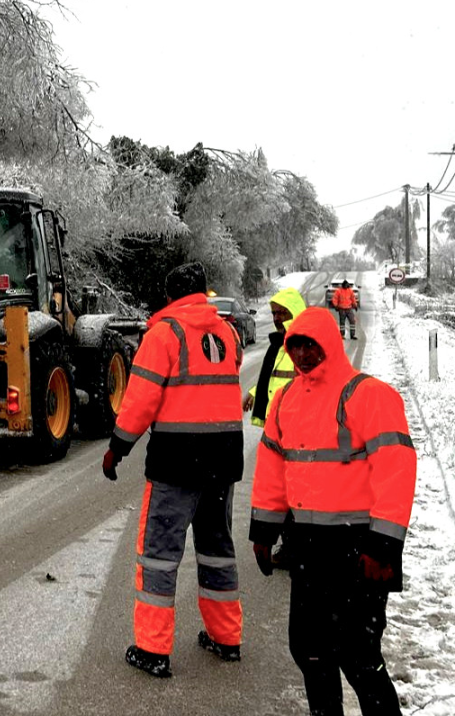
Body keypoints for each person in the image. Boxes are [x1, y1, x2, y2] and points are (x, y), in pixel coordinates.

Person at [250, 306, 415, 716]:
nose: (303, 355)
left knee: (359, 655)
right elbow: (272, 467)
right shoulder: (286, 399)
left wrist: (383, 545)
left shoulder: (368, 395)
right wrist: (264, 532)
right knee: (310, 650)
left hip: (359, 547)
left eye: (311, 345)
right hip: (308, 547)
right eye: (297, 346)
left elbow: (396, 470)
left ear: (330, 344)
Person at [102, 262, 245, 678]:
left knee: (160, 557)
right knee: (217, 550)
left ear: (171, 296)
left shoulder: (164, 335)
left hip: (178, 463)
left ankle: (153, 649)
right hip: (222, 462)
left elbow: (140, 400)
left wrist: (117, 448)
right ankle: (226, 638)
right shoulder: (228, 333)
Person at [241, 287, 308, 568]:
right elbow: (274, 377)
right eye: (274, 313)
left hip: (298, 429)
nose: (278, 318)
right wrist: (256, 392)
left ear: (295, 312)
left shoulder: (300, 342)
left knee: (293, 492)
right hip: (278, 428)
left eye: (282, 312)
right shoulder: (280, 343)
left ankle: (295, 549)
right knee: (282, 489)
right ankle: (291, 546)